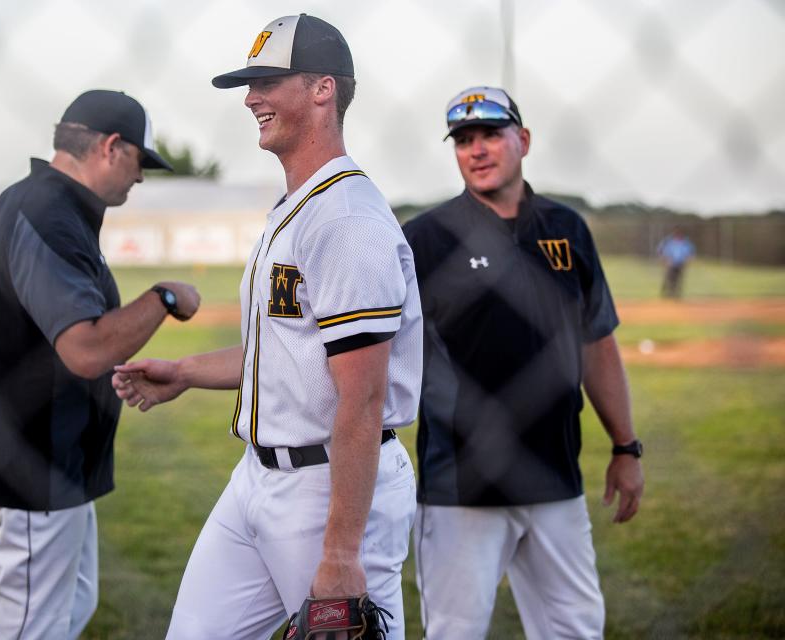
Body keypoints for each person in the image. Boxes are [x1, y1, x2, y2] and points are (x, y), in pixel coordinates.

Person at [112, 14, 422, 639]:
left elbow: (361, 401)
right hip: (257, 479)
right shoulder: (296, 206)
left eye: (267, 81)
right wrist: (185, 372)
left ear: (323, 89)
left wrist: (340, 553)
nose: (250, 97)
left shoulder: (347, 220)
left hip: (328, 489)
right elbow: (283, 353)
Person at [402, 86, 645, 639]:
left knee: (577, 631)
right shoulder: (425, 238)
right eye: (464, 140)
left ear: (523, 140)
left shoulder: (566, 228)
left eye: (491, 134)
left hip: (556, 479)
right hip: (461, 488)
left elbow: (597, 345)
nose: (477, 149)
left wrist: (626, 445)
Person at [0, 89, 201, 640]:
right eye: (139, 161)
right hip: (34, 457)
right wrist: (164, 298)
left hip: (55, 452)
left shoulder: (46, 204)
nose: (140, 178)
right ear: (111, 147)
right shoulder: (47, 210)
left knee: (71, 603)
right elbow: (85, 348)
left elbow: (73, 343)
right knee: (32, 625)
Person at [658, 227, 695, 298]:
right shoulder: (669, 241)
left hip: (680, 263)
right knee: (669, 278)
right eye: (677, 234)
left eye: (680, 234)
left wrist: (688, 260)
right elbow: (662, 251)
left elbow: (690, 253)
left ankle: (676, 294)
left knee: (679, 280)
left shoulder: (686, 242)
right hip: (671, 263)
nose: (678, 236)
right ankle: (667, 293)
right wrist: (665, 260)